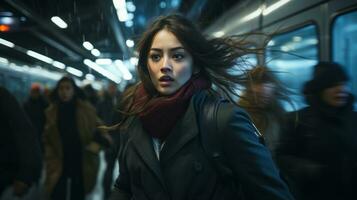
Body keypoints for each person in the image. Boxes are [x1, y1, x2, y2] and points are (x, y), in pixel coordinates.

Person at [109, 14, 294, 200]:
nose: (165, 65)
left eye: (178, 56)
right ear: (146, 65)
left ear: (195, 65)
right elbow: (124, 187)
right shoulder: (136, 118)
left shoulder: (222, 120)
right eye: (155, 56)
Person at [276, 62, 357, 200]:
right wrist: (307, 169)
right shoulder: (299, 120)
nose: (341, 89)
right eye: (333, 85)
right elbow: (281, 157)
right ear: (320, 90)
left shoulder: (354, 119)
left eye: (343, 84)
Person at [43, 76, 110, 200]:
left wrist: (98, 143)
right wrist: (49, 156)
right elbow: (47, 138)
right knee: (57, 193)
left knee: (78, 193)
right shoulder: (51, 112)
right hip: (59, 160)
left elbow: (101, 128)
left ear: (74, 90)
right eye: (61, 88)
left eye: (68, 88)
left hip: (81, 159)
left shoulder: (86, 110)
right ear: (57, 91)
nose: (64, 92)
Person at [0, 86, 42, 198]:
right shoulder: (26, 104)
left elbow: (25, 133)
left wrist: (25, 174)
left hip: (5, 167)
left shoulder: (3, 97)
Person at [238, 66, 289, 154]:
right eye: (257, 97)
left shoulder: (276, 112)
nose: (261, 101)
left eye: (265, 97)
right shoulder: (242, 115)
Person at [97, 82, 122, 200]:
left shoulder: (120, 101)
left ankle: (116, 193)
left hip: (120, 140)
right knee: (109, 167)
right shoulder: (103, 103)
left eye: (113, 88)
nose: (112, 90)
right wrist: (105, 135)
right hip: (109, 140)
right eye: (110, 88)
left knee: (121, 168)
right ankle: (107, 194)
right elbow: (99, 121)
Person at [23, 83, 48, 151]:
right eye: (33, 92)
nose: (35, 94)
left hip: (41, 131)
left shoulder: (44, 104)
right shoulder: (26, 104)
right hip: (30, 130)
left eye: (36, 92)